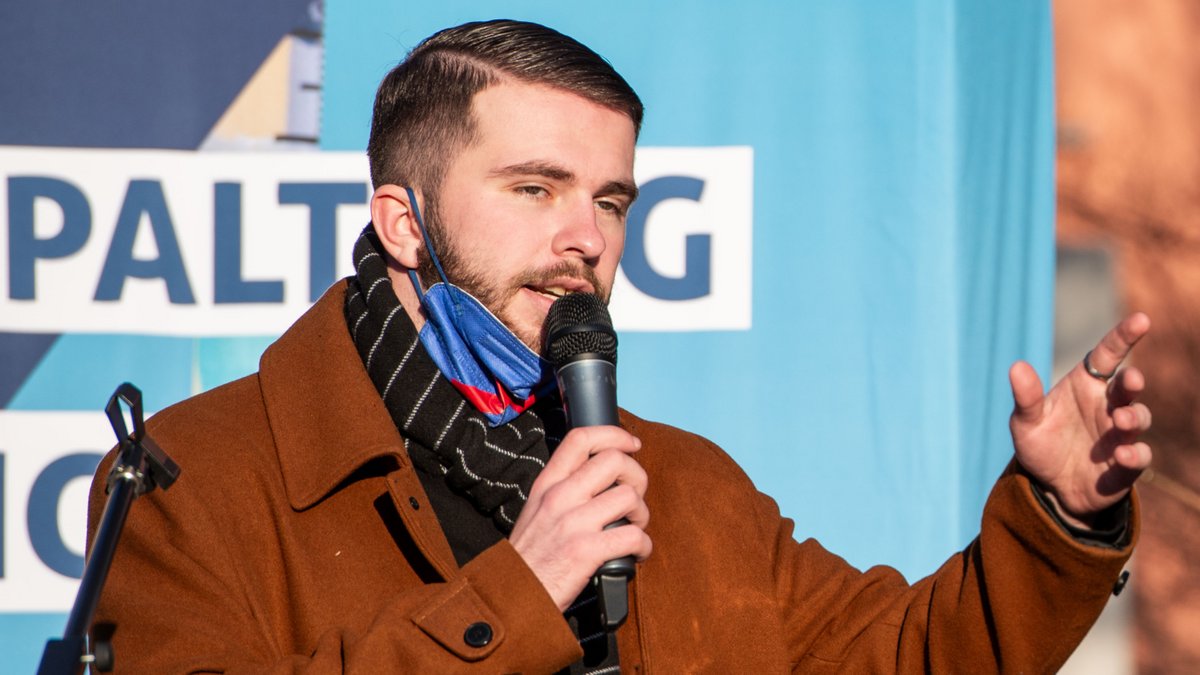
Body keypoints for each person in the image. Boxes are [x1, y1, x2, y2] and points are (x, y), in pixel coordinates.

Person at [88, 19, 1153, 673]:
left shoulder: (680, 485)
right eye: (533, 188)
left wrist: (1060, 516)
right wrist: (519, 589)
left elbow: (913, 656)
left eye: (609, 199)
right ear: (403, 223)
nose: (586, 238)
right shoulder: (191, 482)